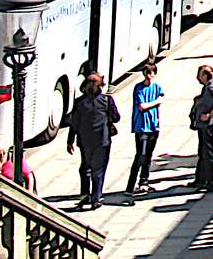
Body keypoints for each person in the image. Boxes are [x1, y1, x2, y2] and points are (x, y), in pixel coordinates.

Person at [66, 71, 120, 210]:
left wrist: (70, 140)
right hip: (102, 140)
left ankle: (85, 194)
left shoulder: (79, 102)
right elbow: (116, 118)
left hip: (84, 141)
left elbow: (74, 123)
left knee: (85, 167)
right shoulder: (107, 100)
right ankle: (96, 198)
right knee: (99, 169)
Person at [125, 61, 163, 200]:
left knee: (148, 155)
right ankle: (130, 186)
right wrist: (156, 102)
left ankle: (144, 181)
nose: (148, 76)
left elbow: (161, 98)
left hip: (153, 125)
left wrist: (156, 102)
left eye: (150, 74)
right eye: (146, 74)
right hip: (142, 127)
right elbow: (142, 107)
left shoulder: (157, 87)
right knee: (140, 155)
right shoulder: (138, 88)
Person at [190, 64, 213, 192]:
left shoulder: (211, 87)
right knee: (202, 151)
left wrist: (209, 115)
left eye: (199, 75)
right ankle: (200, 179)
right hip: (203, 125)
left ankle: (211, 180)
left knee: (208, 153)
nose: (197, 77)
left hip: (208, 125)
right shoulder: (208, 87)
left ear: (205, 75)